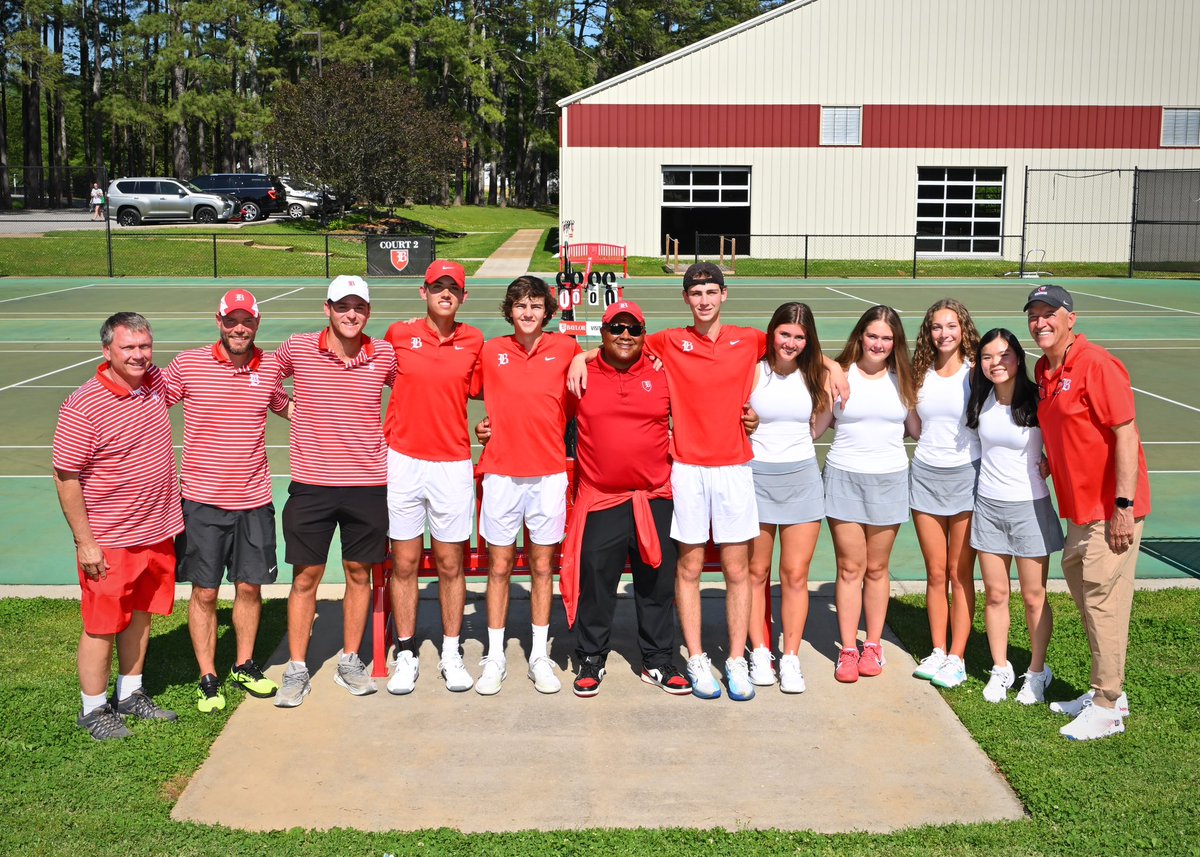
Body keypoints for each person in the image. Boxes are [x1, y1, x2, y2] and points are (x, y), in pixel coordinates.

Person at [1025, 284, 1151, 741]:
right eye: (1034, 315)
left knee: (1102, 603)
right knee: (1090, 599)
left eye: (1049, 313)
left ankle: (1107, 705)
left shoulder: (1096, 364)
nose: (1041, 322)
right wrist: (1050, 461)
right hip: (1077, 511)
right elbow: (1066, 428)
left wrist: (1123, 506)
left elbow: (1125, 434)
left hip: (1109, 510)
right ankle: (1108, 690)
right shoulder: (1044, 369)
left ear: (1070, 318)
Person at [53, 312, 183, 740]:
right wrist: (85, 542)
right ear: (106, 350)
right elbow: (66, 476)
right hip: (110, 540)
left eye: (144, 346)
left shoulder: (154, 385)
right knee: (102, 624)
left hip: (157, 531)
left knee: (142, 616)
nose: (138, 355)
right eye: (128, 347)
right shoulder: (83, 404)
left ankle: (130, 692)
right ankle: (92, 709)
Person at [273, 275, 398, 708]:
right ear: (327, 308)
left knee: (358, 574)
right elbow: (268, 380)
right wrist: (296, 415)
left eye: (358, 307)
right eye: (342, 306)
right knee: (305, 577)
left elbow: (415, 394)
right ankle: (296, 668)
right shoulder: (299, 347)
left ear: (368, 312)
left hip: (367, 484)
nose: (351, 314)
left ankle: (350, 660)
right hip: (312, 485)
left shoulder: (382, 353)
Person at [164, 289, 291, 713]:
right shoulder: (189, 364)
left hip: (254, 500)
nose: (240, 328)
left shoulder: (270, 365)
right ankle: (208, 676)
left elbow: (284, 405)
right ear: (218, 320)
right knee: (204, 592)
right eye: (231, 320)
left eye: (247, 321)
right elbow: (149, 402)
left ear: (258, 322)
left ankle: (244, 665)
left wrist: (342, 414)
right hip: (200, 501)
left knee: (250, 587)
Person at [558, 301, 691, 697]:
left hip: (654, 497)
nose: (625, 335)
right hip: (602, 499)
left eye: (634, 329)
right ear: (602, 333)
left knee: (657, 583)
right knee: (596, 583)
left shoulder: (662, 374)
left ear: (644, 335)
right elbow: (547, 416)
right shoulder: (580, 375)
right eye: (617, 327)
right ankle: (591, 658)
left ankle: (658, 659)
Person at [472, 275, 581, 696]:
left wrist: (581, 356)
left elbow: (605, 353)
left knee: (541, 567)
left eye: (536, 305)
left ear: (547, 311)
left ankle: (538, 655)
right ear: (509, 310)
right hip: (500, 473)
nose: (528, 312)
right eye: (520, 305)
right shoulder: (492, 350)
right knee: (498, 567)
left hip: (549, 475)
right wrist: (484, 427)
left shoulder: (566, 349)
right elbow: (464, 386)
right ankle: (495, 655)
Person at [382, 260, 483, 694]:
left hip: (452, 464)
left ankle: (451, 649)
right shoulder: (397, 334)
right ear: (423, 292)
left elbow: (497, 386)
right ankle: (405, 652)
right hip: (403, 461)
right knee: (403, 563)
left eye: (453, 288)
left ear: (463, 297)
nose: (445, 294)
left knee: (449, 563)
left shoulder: (475, 340)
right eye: (437, 287)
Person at [966, 329, 1062, 704]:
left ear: (1018, 358)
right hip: (988, 507)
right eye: (988, 357)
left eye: (1003, 355)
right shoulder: (980, 397)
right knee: (995, 594)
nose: (996, 363)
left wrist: (1052, 461)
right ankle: (1001, 668)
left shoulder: (1037, 400)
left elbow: (1063, 437)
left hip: (1030, 507)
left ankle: (1037, 673)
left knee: (1034, 596)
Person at [826, 305, 920, 683]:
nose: (878, 343)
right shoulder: (838, 375)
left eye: (886, 337)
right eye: (872, 335)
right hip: (843, 477)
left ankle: (874, 644)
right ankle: (848, 649)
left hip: (890, 479)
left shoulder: (904, 381)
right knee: (850, 568)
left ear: (894, 342)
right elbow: (816, 423)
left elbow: (917, 429)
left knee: (877, 568)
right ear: (860, 336)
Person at [745, 302, 832, 694]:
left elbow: (821, 420)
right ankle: (760, 651)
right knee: (756, 573)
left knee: (795, 575)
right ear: (772, 333)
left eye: (799, 336)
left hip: (801, 479)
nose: (791, 342)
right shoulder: (752, 370)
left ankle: (790, 656)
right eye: (785, 334)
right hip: (756, 477)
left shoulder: (818, 375)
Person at [908, 299, 982, 689]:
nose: (944, 334)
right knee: (935, 573)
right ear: (928, 332)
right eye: (937, 327)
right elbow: (916, 426)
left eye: (951, 326)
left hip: (967, 478)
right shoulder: (919, 374)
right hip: (925, 477)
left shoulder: (977, 373)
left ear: (963, 328)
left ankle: (958, 656)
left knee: (958, 572)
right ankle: (938, 650)